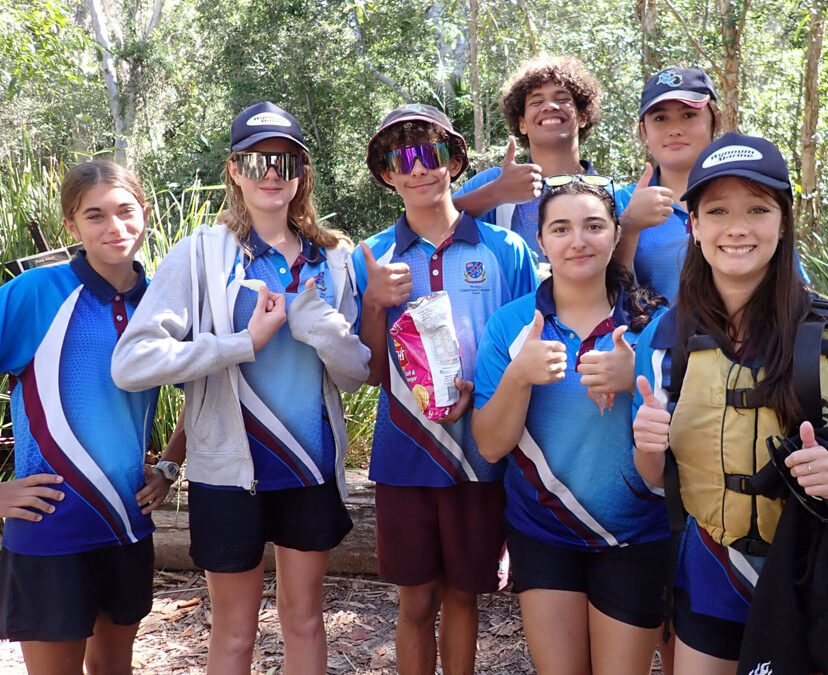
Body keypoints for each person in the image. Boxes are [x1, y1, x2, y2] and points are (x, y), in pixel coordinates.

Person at [111, 101, 370, 675]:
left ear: (301, 171)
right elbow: (131, 363)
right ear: (234, 170)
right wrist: (240, 343)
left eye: (283, 160)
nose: (271, 172)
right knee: (233, 635)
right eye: (255, 161)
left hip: (310, 470)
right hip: (227, 475)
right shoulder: (200, 253)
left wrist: (325, 335)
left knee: (305, 621)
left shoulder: (336, 256)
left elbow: (355, 377)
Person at [632, 132, 828, 674]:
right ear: (693, 226)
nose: (736, 228)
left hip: (806, 578)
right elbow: (654, 478)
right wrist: (648, 442)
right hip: (712, 569)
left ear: (783, 222)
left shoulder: (823, 334)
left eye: (757, 209)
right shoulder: (667, 337)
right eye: (716, 210)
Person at [353, 103, 538, 674]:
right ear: (386, 173)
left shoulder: (504, 251)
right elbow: (369, 370)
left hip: (481, 451)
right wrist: (374, 303)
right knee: (415, 600)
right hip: (405, 451)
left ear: (454, 161)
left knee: (464, 594)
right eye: (401, 158)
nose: (418, 169)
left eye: (430, 153)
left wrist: (480, 386)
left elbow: (527, 341)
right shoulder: (371, 256)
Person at [472, 176, 670, 675]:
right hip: (543, 532)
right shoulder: (510, 325)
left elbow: (684, 439)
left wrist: (634, 377)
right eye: (560, 228)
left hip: (637, 535)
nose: (577, 240)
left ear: (616, 233)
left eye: (593, 226)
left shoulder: (657, 324)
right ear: (541, 241)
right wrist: (519, 376)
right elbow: (491, 446)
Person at [0, 161, 170, 674]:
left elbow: (206, 388)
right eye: (94, 216)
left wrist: (169, 465)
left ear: (146, 214)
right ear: (71, 227)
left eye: (125, 211)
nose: (114, 227)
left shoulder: (163, 303)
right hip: (49, 529)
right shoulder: (34, 294)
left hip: (127, 527)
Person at [453, 54, 603, 258]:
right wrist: (498, 192)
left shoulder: (609, 194)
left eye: (562, 99)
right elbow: (429, 222)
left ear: (583, 116)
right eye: (536, 101)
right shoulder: (494, 182)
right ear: (522, 124)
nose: (549, 106)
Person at [615, 66, 721, 303]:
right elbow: (603, 294)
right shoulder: (620, 202)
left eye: (689, 115)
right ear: (644, 131)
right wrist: (629, 226)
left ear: (716, 120)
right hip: (650, 339)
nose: (675, 130)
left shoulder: (744, 195)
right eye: (660, 118)